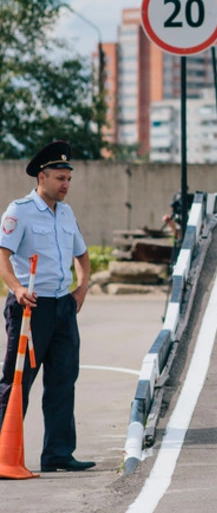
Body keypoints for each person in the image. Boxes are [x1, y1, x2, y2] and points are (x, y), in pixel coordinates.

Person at [0, 141, 95, 472]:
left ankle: (58, 453)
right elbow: (2, 255)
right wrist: (16, 288)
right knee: (17, 381)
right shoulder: (19, 211)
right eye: (60, 178)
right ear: (42, 177)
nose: (66, 185)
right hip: (31, 308)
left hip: (63, 308)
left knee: (63, 381)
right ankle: (3, 454)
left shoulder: (66, 213)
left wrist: (81, 288)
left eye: (68, 179)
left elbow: (82, 254)